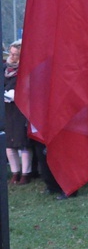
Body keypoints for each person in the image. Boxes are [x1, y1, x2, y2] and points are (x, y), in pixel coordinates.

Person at [4, 40, 32, 185]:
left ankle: (25, 173)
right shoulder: (4, 68)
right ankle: (15, 172)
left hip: (21, 108)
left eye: (16, 55)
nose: (13, 57)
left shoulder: (24, 69)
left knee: (22, 142)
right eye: (12, 53)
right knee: (9, 142)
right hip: (7, 109)